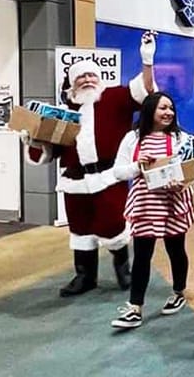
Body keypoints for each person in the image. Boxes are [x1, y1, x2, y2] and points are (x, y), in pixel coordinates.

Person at [23, 31, 157, 297]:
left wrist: (147, 59)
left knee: (112, 224)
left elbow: (146, 91)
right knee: (80, 228)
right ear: (72, 82)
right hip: (75, 180)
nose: (86, 80)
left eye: (91, 75)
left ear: (99, 78)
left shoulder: (115, 98)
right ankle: (85, 276)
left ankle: (123, 269)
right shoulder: (64, 111)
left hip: (109, 176)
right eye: (80, 76)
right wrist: (32, 138)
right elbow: (49, 152)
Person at [110, 92, 194, 329]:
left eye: (170, 108)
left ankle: (178, 292)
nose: (168, 112)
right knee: (142, 256)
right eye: (162, 108)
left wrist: (182, 182)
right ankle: (135, 307)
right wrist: (138, 166)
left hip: (173, 202)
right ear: (149, 110)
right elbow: (118, 172)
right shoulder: (132, 138)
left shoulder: (182, 138)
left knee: (176, 250)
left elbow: (191, 171)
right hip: (145, 204)